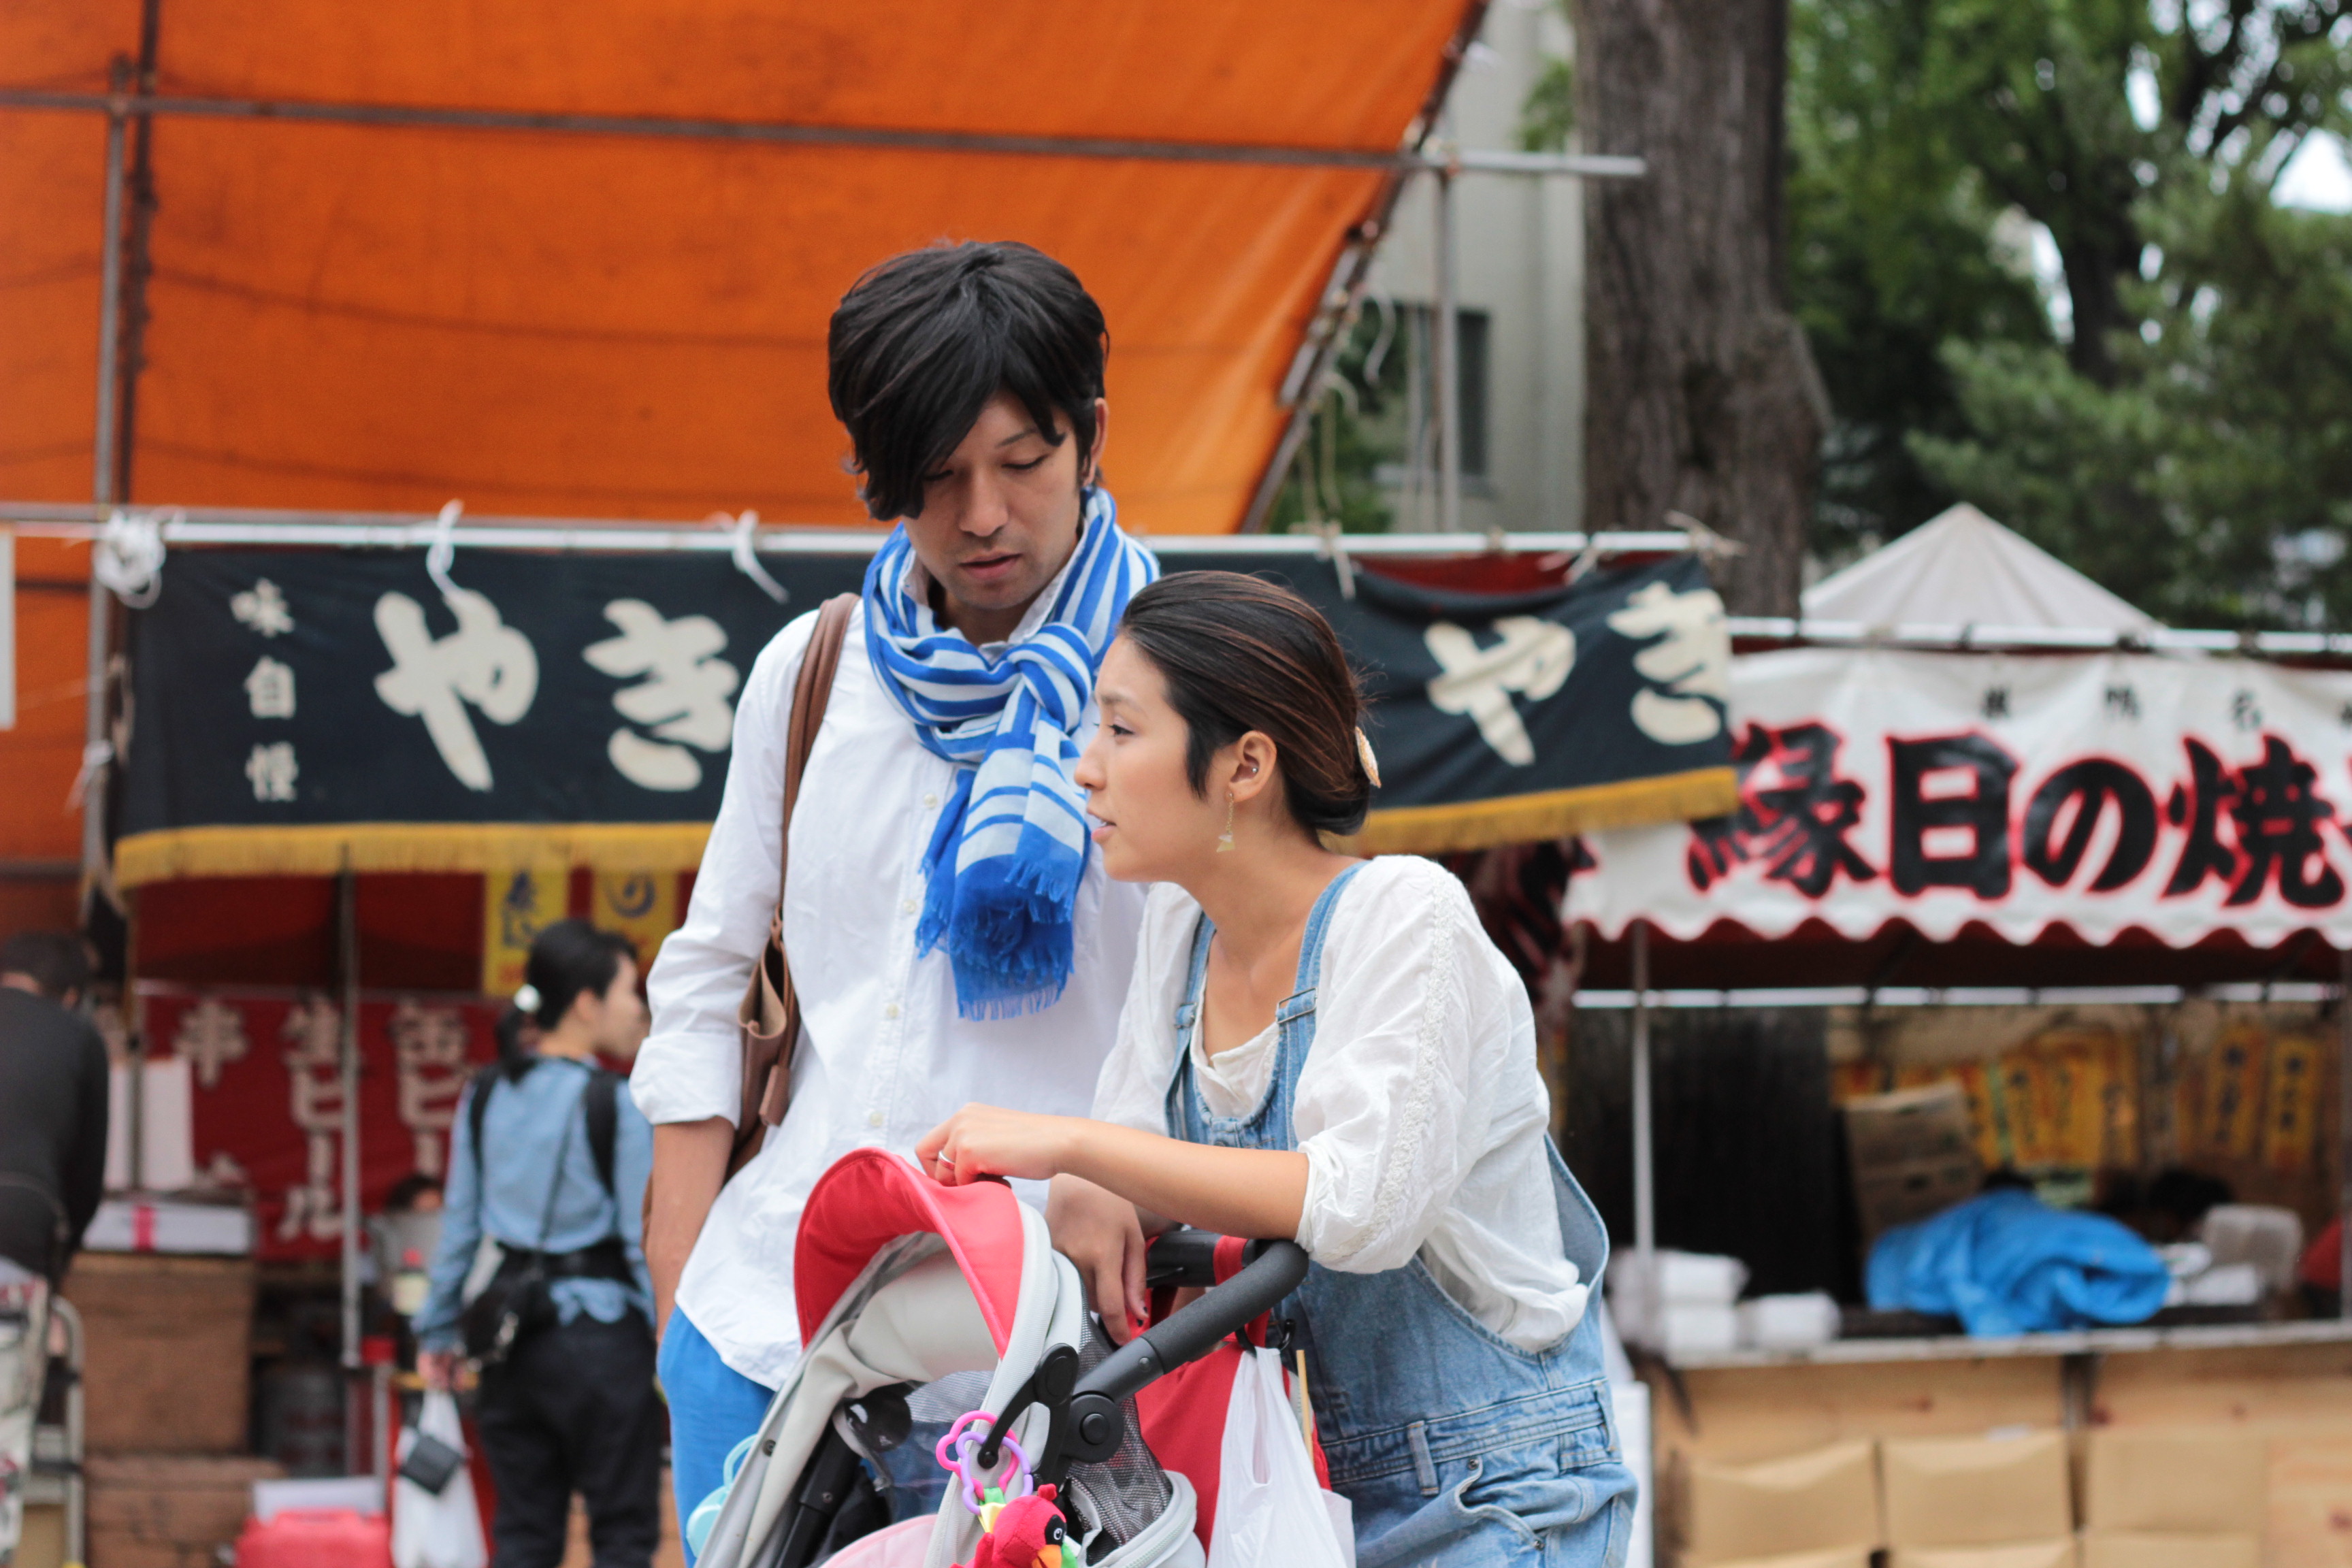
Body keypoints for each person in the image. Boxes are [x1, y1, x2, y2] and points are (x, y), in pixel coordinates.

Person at [918, 574, 1637, 1567]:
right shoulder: (1180, 928)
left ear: (1246, 764)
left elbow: (1361, 1208)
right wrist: (1089, 1180)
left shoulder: (1406, 916)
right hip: (1290, 1500)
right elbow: (1133, 1158)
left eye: (1122, 730)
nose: (1085, 768)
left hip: (1490, 1496)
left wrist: (1078, 1148)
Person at [632, 239, 1158, 1548]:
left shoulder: (1183, 679)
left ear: (1092, 435)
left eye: (1021, 461)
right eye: (934, 475)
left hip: (1045, 1368)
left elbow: (1233, 1008)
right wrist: (681, 1302)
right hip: (764, 1338)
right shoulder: (813, 671)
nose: (981, 514)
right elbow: (706, 978)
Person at [414, 921, 657, 1568]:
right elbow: (640, 1243)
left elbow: (460, 1230)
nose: (639, 1009)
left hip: (511, 1343)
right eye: (629, 992)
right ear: (587, 1003)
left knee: (523, 1535)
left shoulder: (485, 1093)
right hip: (604, 1343)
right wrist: (670, 1338)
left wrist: (437, 1331)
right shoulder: (617, 1102)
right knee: (623, 1535)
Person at [0, 932, 109, 1568]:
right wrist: (55, 1271)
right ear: (70, 996)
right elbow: (84, 1183)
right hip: (12, 1253)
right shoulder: (76, 1038)